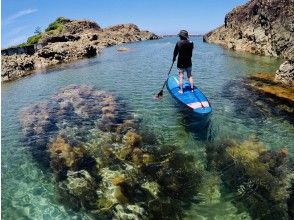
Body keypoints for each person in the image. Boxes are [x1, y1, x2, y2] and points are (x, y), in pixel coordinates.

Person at [173, 30, 194, 94]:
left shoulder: (178, 43)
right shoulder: (191, 43)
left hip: (181, 63)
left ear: (180, 36)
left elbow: (175, 52)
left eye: (179, 35)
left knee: (181, 76)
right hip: (188, 62)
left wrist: (174, 58)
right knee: (189, 76)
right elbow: (191, 51)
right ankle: (192, 89)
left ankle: (181, 90)